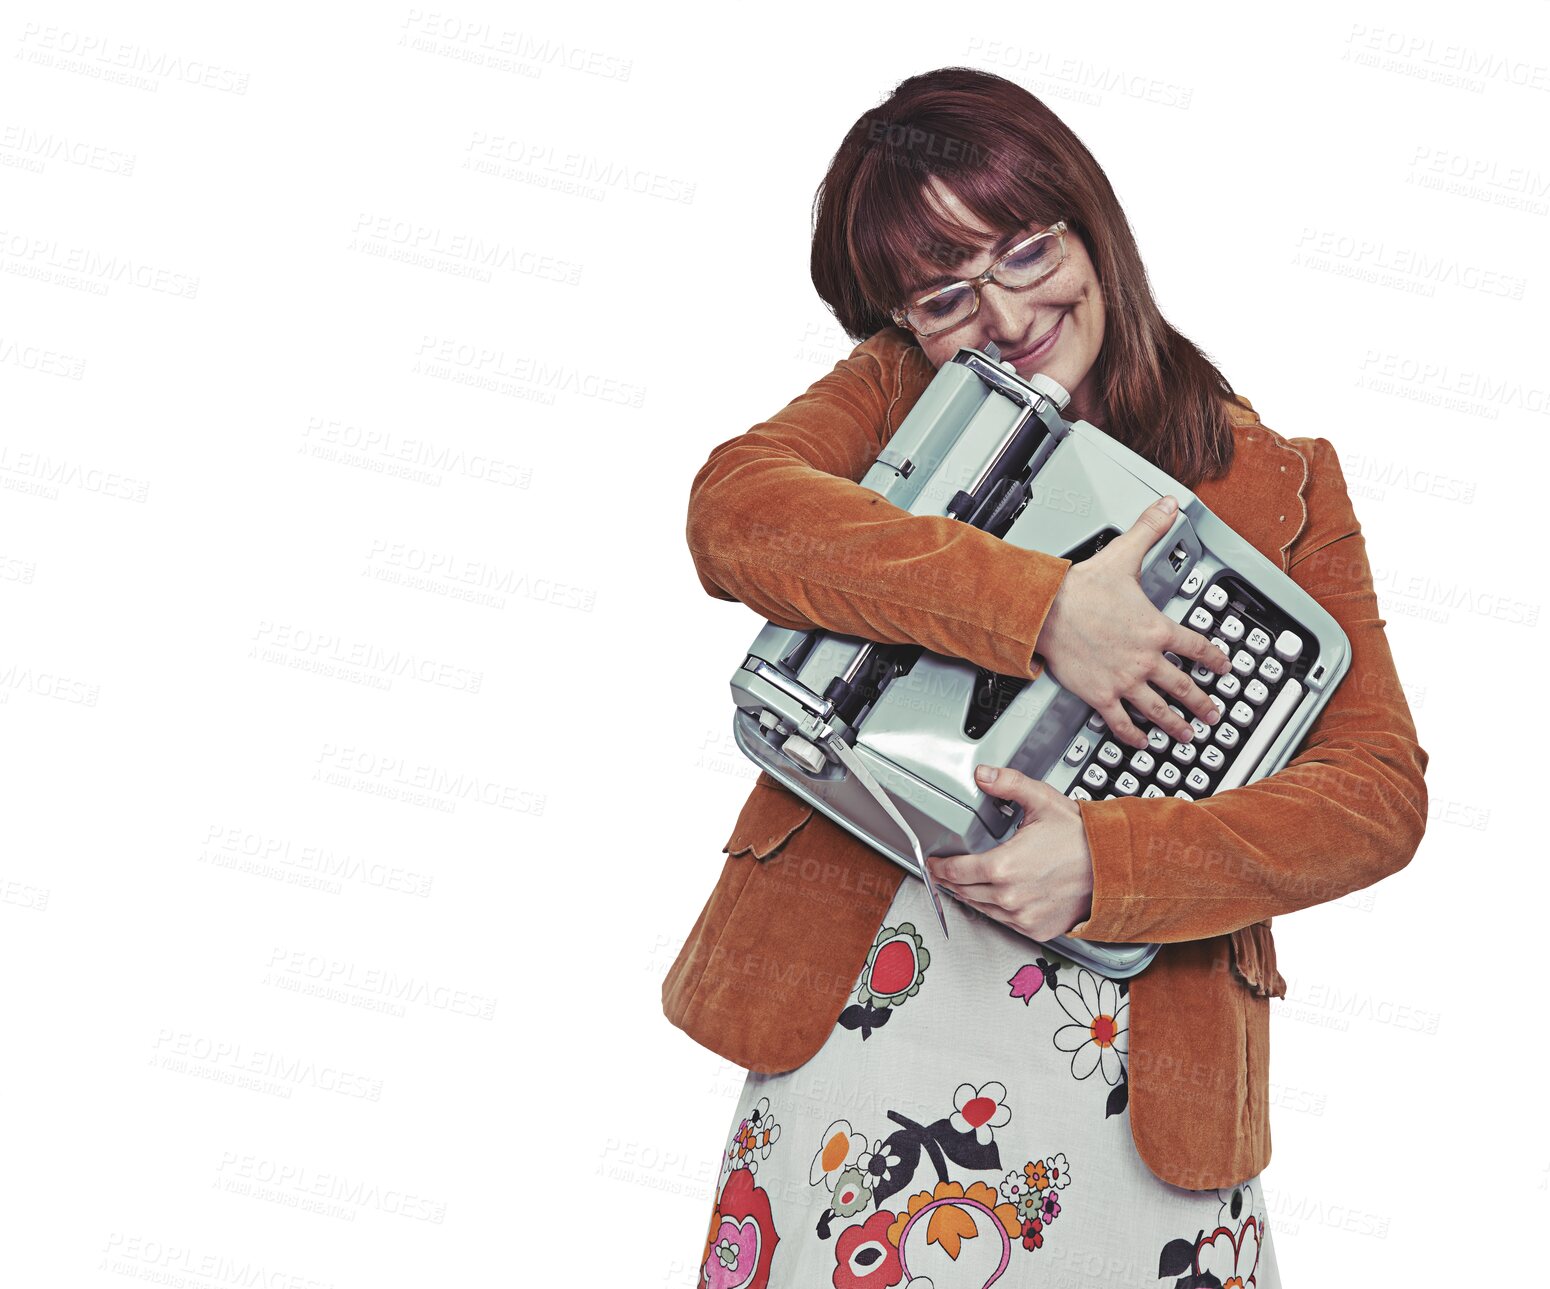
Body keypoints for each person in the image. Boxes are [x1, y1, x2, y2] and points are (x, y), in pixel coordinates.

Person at [666, 67, 1427, 1289]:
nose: (1008, 315)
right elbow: (738, 514)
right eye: (943, 292)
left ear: (1091, 226)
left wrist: (1105, 865)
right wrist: (1043, 611)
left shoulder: (1280, 479)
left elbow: (1375, 792)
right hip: (874, 990)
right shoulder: (894, 390)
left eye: (1026, 250)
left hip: (1147, 1050)